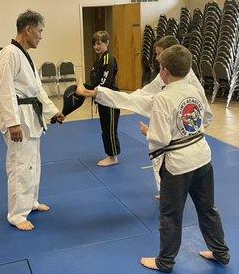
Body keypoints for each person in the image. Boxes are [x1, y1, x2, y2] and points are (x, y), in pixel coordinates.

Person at [138, 45, 230, 273]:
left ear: (164, 71)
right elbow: (206, 118)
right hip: (202, 158)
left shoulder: (163, 97)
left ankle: (165, 261)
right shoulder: (195, 90)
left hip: (178, 166)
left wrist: (148, 131)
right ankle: (221, 253)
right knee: (208, 209)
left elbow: (160, 138)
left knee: (170, 215)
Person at [76, 36, 204, 197]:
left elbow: (203, 113)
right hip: (195, 147)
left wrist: (150, 132)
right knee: (162, 154)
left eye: (159, 54)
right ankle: (166, 189)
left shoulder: (181, 85)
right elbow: (144, 93)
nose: (156, 58)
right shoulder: (169, 76)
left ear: (170, 56)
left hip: (183, 136)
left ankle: (171, 191)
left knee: (164, 149)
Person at [0, 10, 65, 231]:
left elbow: (37, 90)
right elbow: (4, 91)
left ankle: (30, 202)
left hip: (31, 118)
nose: (41, 36)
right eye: (40, 31)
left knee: (33, 163)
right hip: (20, 119)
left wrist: (52, 111)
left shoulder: (24, 55)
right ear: (28, 29)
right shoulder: (8, 54)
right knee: (20, 166)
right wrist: (12, 122)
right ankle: (17, 214)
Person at [89, 31, 121, 167]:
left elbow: (105, 82)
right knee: (105, 129)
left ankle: (113, 157)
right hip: (102, 98)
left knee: (110, 129)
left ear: (106, 43)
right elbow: (94, 80)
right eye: (94, 44)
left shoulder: (109, 59)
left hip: (110, 99)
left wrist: (92, 93)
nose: (96, 47)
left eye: (99, 44)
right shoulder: (99, 60)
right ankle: (110, 154)